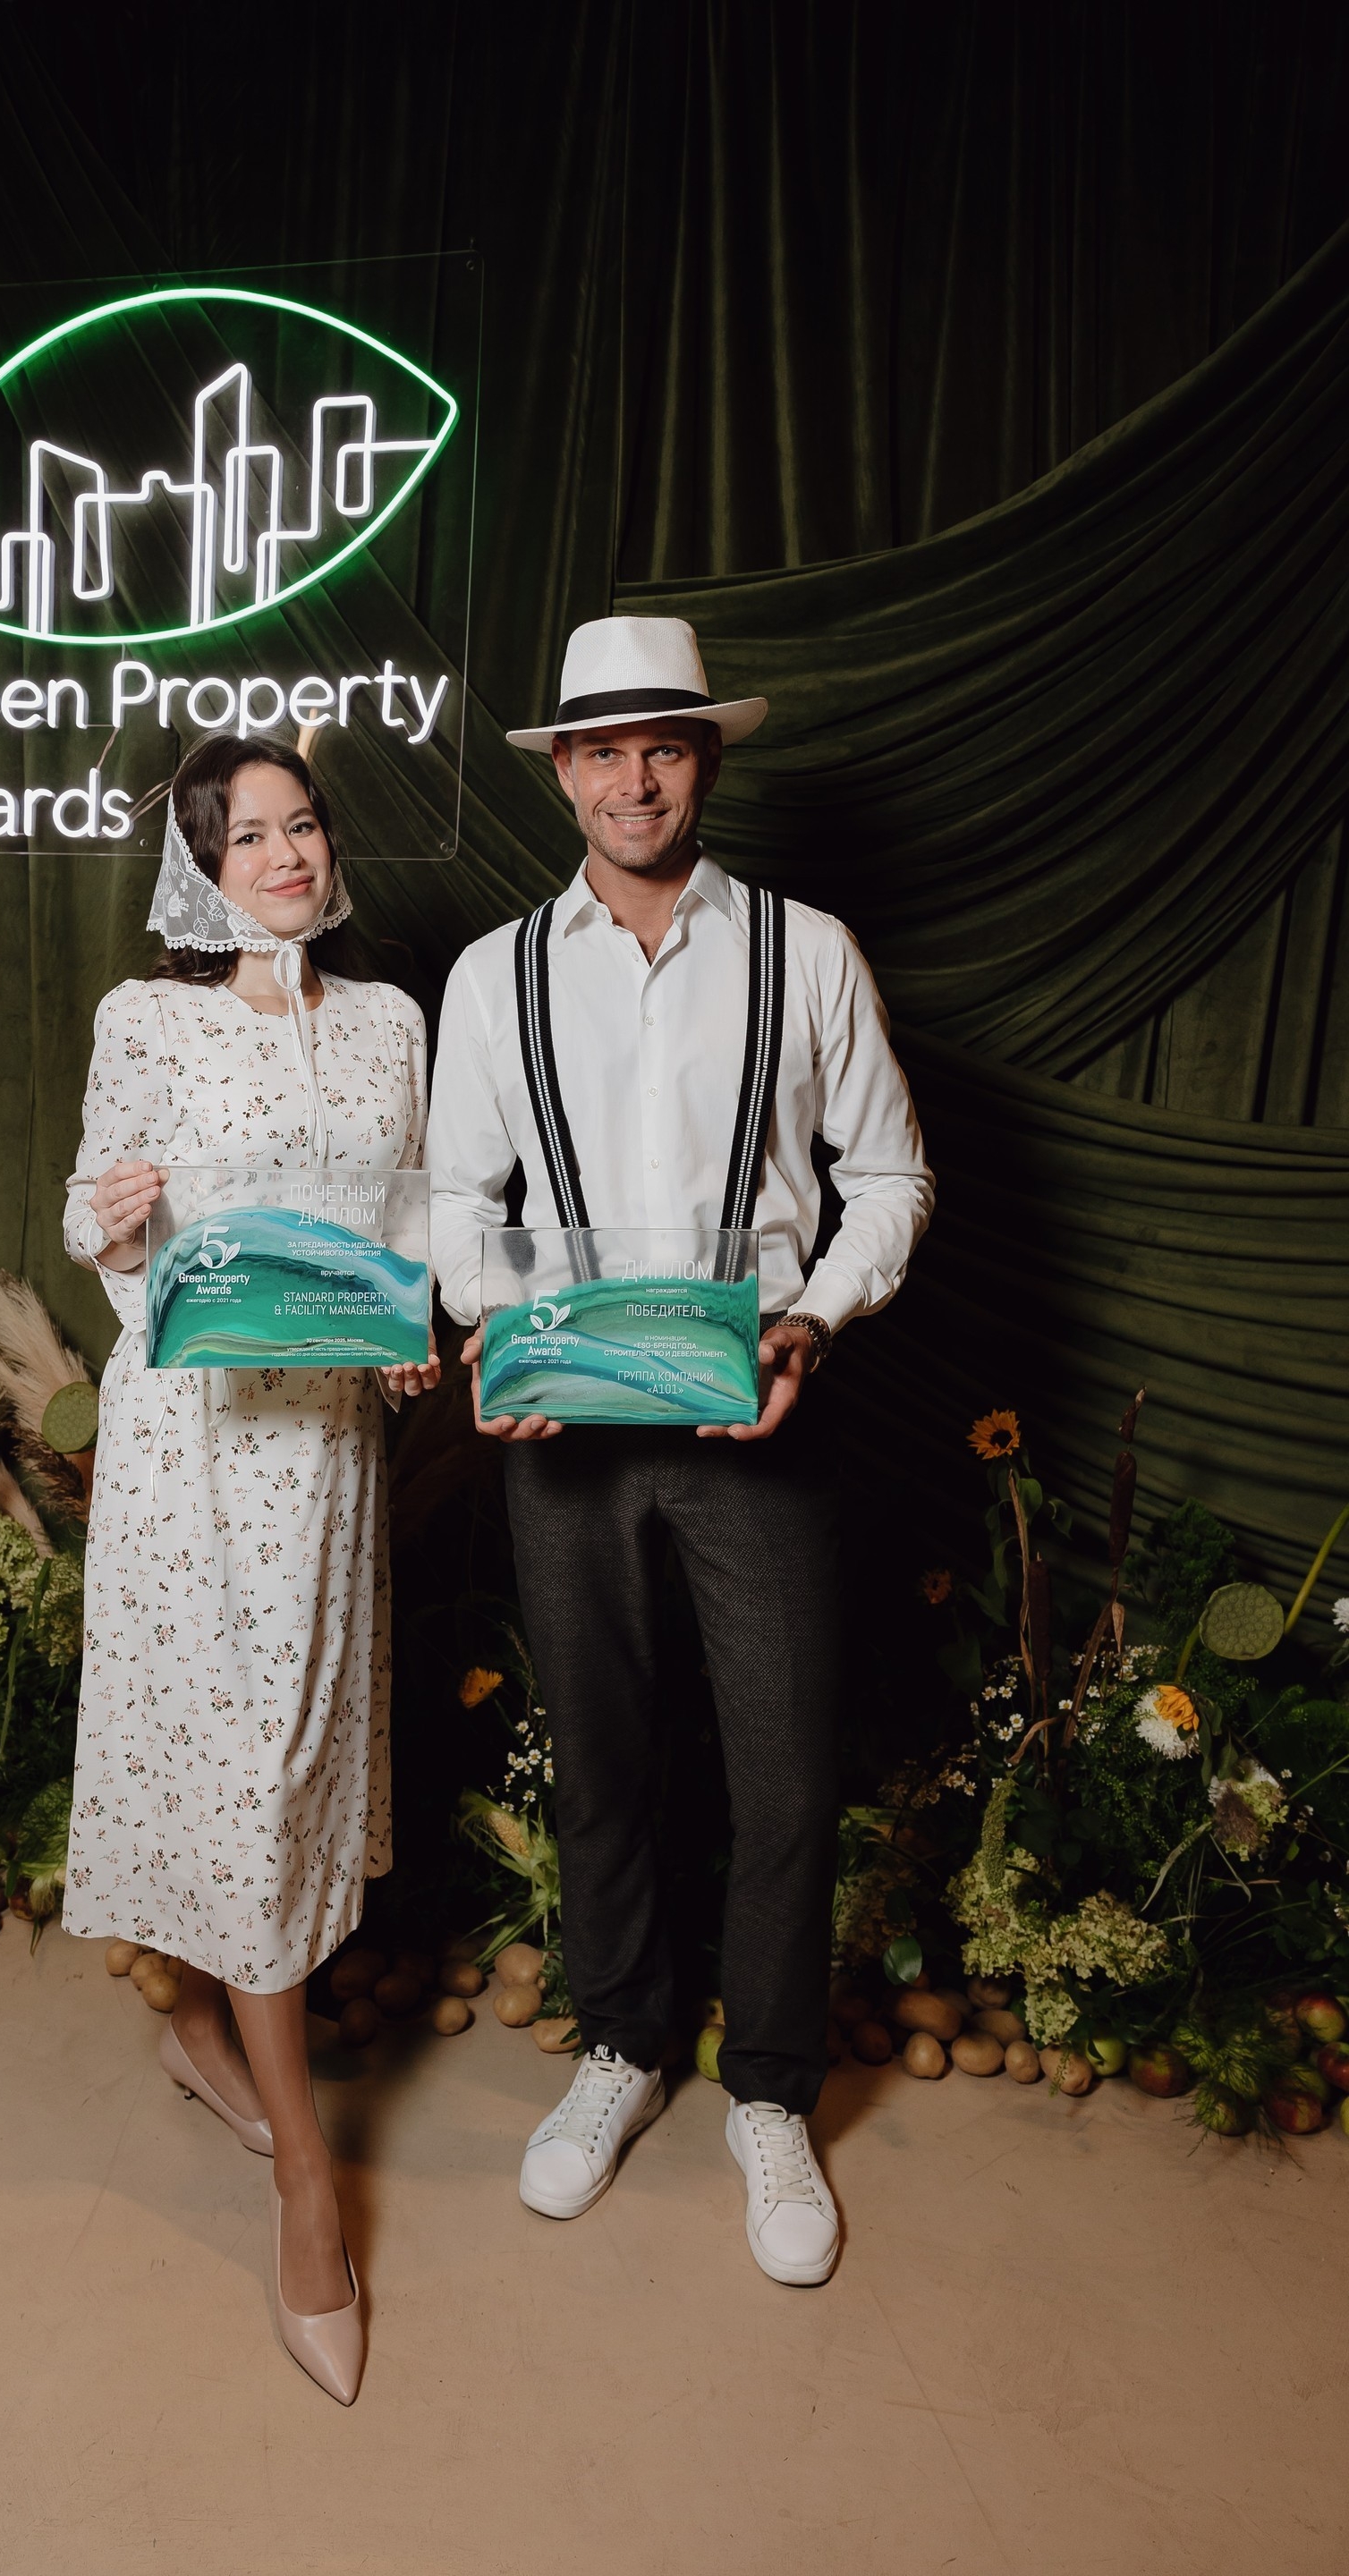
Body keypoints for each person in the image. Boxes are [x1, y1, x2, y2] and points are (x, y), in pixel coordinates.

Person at [426, 615, 931, 2287]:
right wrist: (499, 1324)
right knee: (603, 1759)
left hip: (753, 1415)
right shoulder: (495, 974)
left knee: (784, 1771)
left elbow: (890, 1178)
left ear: (705, 762)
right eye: (602, 751)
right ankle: (624, 2046)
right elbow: (457, 1202)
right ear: (562, 773)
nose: (632, 779)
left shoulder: (809, 950)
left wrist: (815, 1321)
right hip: (566, 1429)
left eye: (664, 747)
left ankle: (770, 2093)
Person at [63, 733, 438, 2402]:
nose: (285, 855)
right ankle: (304, 2174)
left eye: (303, 826)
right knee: (238, 1771)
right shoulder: (146, 1020)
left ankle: (203, 2030)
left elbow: (410, 1228)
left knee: (286, 1777)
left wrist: (414, 1333)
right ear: (200, 870)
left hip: (326, 1460)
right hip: (192, 1456)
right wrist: (119, 1215)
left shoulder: (393, 1022)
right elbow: (89, 1221)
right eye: (248, 837)